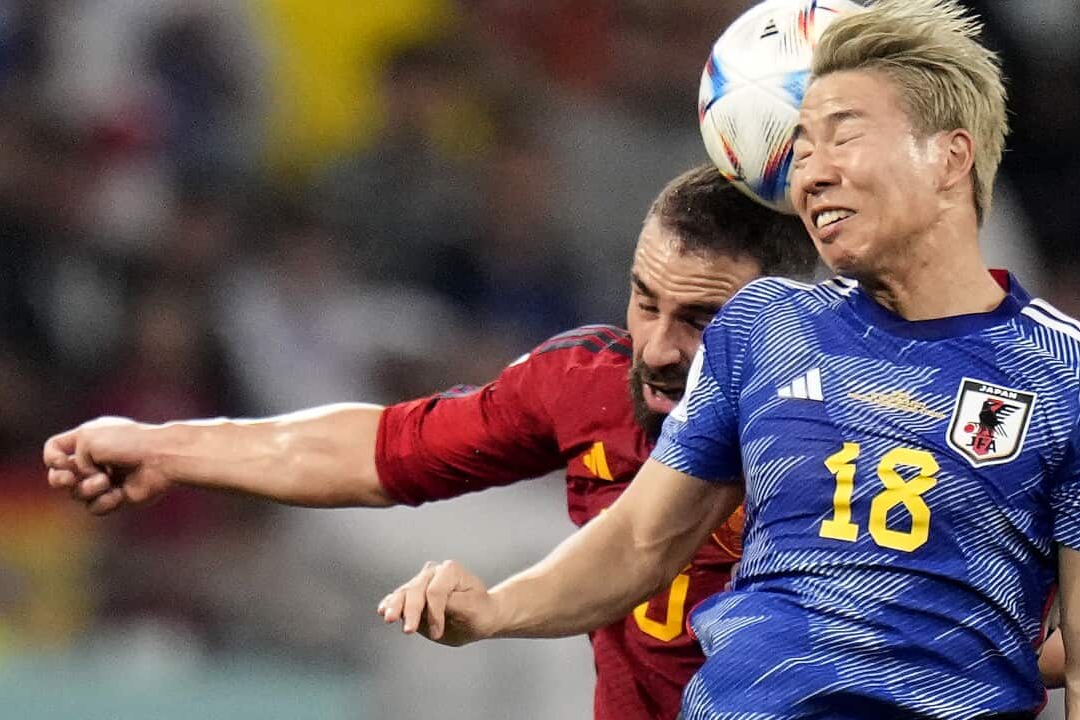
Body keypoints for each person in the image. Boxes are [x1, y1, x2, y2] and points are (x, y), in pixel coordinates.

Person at [373, 2, 1080, 719]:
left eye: (842, 136)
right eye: (801, 144)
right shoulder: (764, 326)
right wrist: (498, 610)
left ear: (949, 157)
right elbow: (642, 541)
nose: (810, 171)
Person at [42, 165, 816, 720]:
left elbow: (640, 550)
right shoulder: (585, 384)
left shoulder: (839, 432)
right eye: (646, 303)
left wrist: (499, 609)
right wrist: (164, 448)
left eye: (701, 321)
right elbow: (378, 450)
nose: (658, 347)